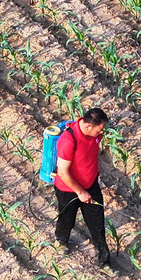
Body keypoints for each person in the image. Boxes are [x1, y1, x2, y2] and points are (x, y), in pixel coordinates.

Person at [55, 107, 110, 266]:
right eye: (99, 130)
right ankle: (61, 240)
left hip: (91, 185)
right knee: (67, 219)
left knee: (97, 224)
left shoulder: (94, 134)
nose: (101, 133)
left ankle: (104, 261)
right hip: (69, 189)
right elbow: (63, 172)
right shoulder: (68, 140)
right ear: (88, 127)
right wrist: (80, 192)